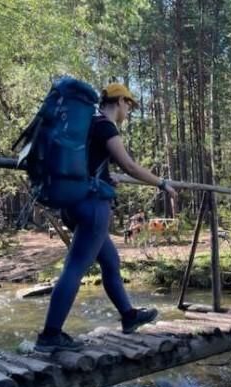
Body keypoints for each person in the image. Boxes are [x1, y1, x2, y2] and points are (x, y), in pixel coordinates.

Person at [35, 83, 178, 353]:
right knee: (75, 268)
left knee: (111, 261)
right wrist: (162, 184)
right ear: (120, 101)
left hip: (73, 203)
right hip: (93, 206)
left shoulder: (86, 123)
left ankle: (128, 316)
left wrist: (106, 176)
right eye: (129, 105)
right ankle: (50, 334)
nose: (129, 111)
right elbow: (130, 165)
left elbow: (89, 163)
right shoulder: (105, 125)